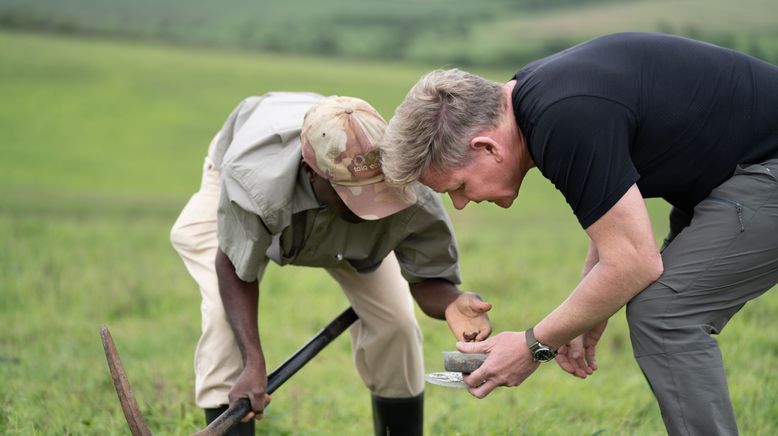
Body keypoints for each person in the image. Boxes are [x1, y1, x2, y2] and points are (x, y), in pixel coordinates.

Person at [379, 32, 778, 435]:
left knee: (664, 314)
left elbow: (635, 262)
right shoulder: (537, 100)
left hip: (764, 166)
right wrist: (587, 308)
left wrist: (534, 346)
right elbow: (610, 208)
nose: (462, 203)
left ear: (486, 147)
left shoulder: (563, 116)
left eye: (459, 187)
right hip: (733, 173)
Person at [169, 92, 492, 435]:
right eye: (353, 192)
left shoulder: (409, 190)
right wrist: (254, 361)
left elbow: (429, 279)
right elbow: (233, 266)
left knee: (397, 325)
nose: (366, 204)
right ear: (312, 173)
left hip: (344, 228)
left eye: (377, 190)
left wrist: (452, 303)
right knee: (224, 322)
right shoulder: (254, 183)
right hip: (246, 184)